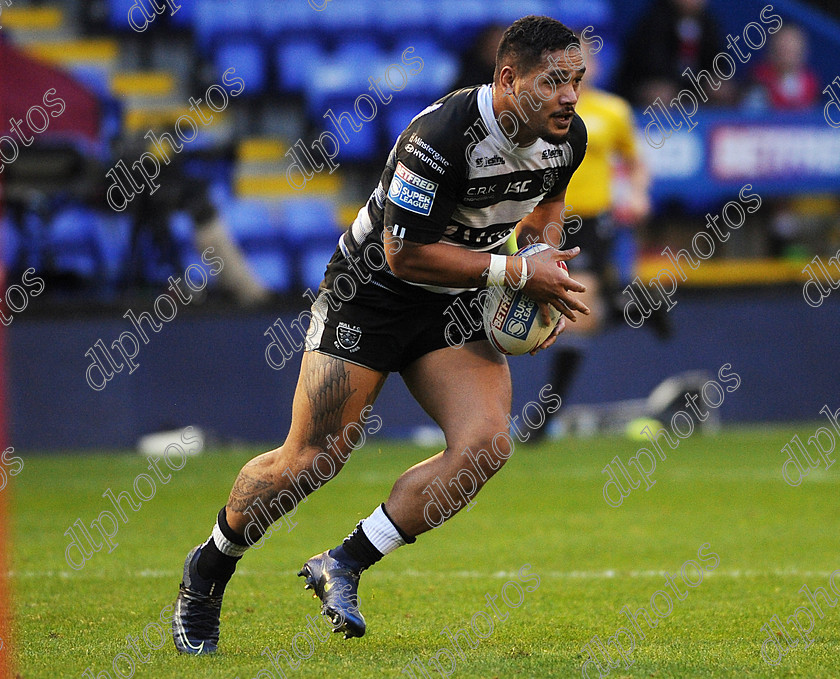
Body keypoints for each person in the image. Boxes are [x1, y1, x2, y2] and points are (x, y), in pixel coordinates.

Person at [172, 15, 591, 654]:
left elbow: (547, 208)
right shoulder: (441, 136)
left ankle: (343, 562)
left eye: (577, 80)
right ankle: (207, 571)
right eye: (554, 81)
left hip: (454, 301)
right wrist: (514, 270)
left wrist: (545, 267)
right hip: (370, 294)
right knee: (314, 459)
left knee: (485, 445)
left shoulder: (567, 137)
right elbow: (405, 255)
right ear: (508, 79)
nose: (570, 96)